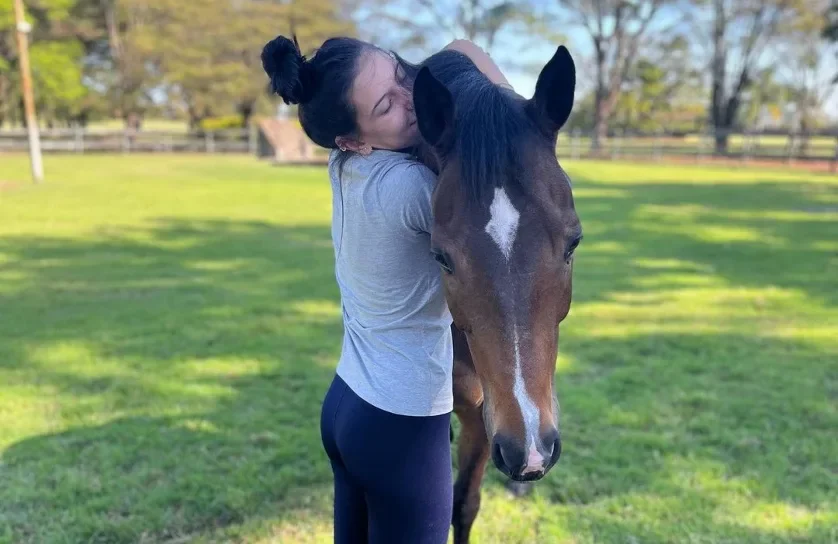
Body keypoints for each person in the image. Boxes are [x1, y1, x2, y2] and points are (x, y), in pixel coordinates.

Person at [261, 34, 513, 544]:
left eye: (400, 76)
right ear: (353, 138)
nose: (409, 100)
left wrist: (396, 90)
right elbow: (508, 169)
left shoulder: (345, 168)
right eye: (386, 105)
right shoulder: (414, 191)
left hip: (346, 405)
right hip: (402, 426)